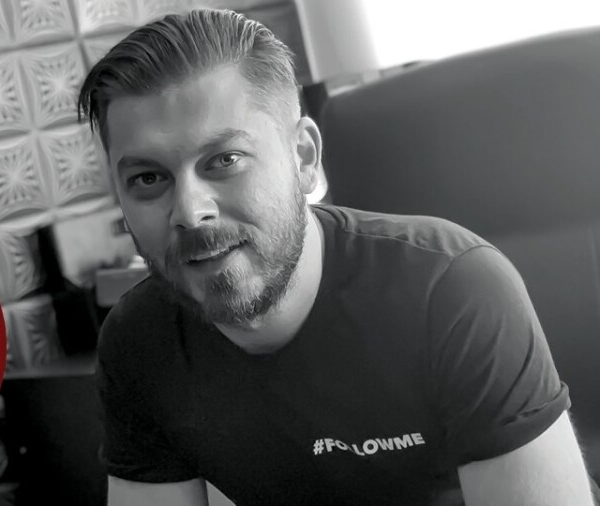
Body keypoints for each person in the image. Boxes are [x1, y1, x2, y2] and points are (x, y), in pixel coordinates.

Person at [77, 8, 596, 506]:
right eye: (148, 178)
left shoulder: (451, 290)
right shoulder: (138, 343)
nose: (190, 212)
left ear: (304, 158)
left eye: (225, 160)